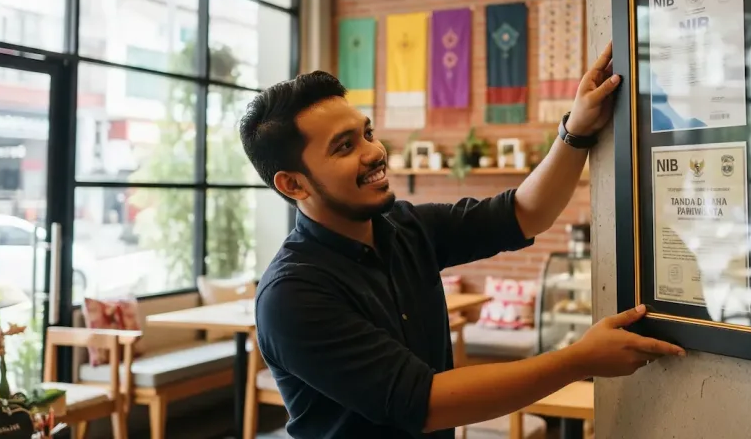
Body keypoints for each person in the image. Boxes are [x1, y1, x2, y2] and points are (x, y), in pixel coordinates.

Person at [240, 43, 685, 439]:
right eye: (343, 147)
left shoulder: (402, 226)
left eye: (368, 133)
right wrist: (578, 360)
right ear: (293, 184)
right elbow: (428, 404)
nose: (374, 152)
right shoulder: (292, 296)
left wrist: (577, 130)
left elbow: (524, 214)